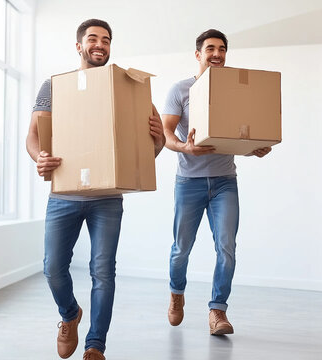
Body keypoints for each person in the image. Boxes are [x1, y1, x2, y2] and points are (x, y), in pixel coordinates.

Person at [26, 19, 165, 360]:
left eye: (106, 39)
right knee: (52, 268)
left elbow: (150, 148)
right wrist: (39, 157)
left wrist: (158, 138)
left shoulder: (128, 88)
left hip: (107, 198)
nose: (99, 44)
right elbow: (32, 136)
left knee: (102, 271)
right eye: (92, 39)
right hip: (63, 196)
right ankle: (70, 314)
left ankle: (95, 346)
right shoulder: (54, 86)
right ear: (79, 46)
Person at [161, 29, 271, 336]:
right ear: (198, 54)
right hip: (189, 182)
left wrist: (255, 147)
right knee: (182, 248)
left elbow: (237, 135)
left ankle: (217, 311)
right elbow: (166, 134)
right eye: (210, 48)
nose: (217, 53)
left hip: (225, 182)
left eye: (222, 49)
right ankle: (176, 292)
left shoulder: (233, 90)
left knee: (226, 248)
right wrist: (184, 146)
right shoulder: (181, 90)